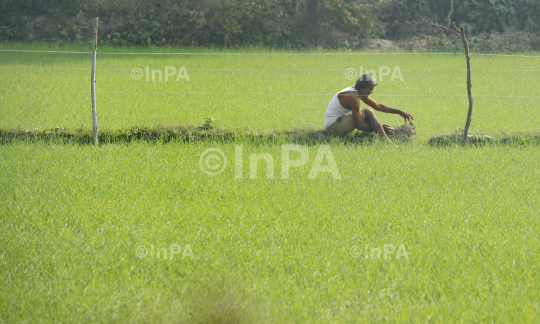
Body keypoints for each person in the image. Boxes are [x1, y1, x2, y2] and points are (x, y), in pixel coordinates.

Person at [324, 74, 414, 142]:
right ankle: (387, 141)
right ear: (363, 88)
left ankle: (383, 136)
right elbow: (360, 125)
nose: (372, 92)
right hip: (333, 127)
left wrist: (399, 112)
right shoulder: (352, 97)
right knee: (368, 112)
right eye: (371, 89)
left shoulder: (358, 92)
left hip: (338, 122)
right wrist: (380, 129)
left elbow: (378, 106)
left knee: (365, 113)